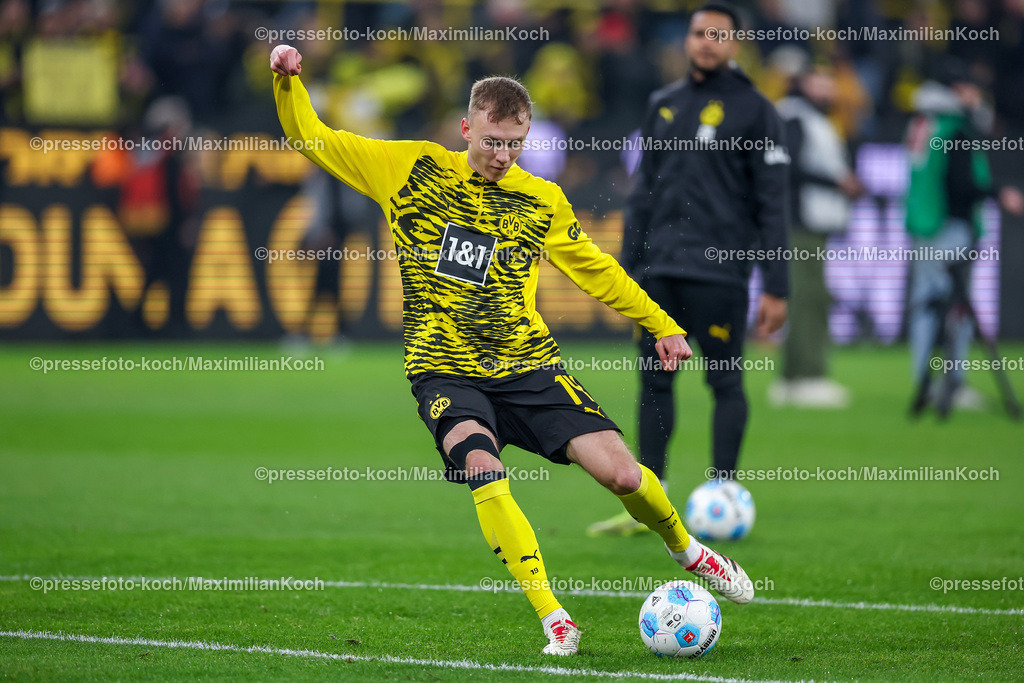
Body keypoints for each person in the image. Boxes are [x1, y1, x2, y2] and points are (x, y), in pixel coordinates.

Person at [270, 43, 755, 657]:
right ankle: (554, 617)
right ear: (466, 128)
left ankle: (689, 551)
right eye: (491, 141)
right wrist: (289, 83)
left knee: (625, 475)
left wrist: (661, 323)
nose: (501, 156)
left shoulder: (540, 199)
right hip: (443, 370)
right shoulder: (409, 169)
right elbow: (311, 137)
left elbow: (597, 272)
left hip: (528, 367)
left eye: (514, 144)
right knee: (482, 465)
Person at [589, 1, 790, 537]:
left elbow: (773, 204)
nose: (707, 42)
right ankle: (650, 502)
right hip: (658, 274)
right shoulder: (664, 104)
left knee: (724, 382)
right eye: (700, 32)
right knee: (655, 382)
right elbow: (640, 196)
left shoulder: (755, 111)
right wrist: (626, 271)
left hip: (720, 273)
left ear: (735, 44)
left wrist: (777, 285)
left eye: (718, 35)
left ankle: (724, 494)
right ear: (687, 38)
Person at [905, 58, 1024, 418]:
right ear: (956, 91)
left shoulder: (923, 122)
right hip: (951, 225)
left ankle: (925, 382)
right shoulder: (956, 127)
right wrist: (998, 191)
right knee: (955, 308)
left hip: (924, 223)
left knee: (926, 305)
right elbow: (962, 183)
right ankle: (950, 383)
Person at [769, 64, 864, 409]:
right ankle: (806, 377)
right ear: (802, 85)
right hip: (799, 223)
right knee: (808, 299)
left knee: (808, 298)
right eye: (818, 85)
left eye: (829, 84)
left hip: (808, 223)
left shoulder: (807, 118)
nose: (826, 92)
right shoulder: (795, 117)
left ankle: (793, 379)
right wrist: (836, 183)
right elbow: (788, 167)